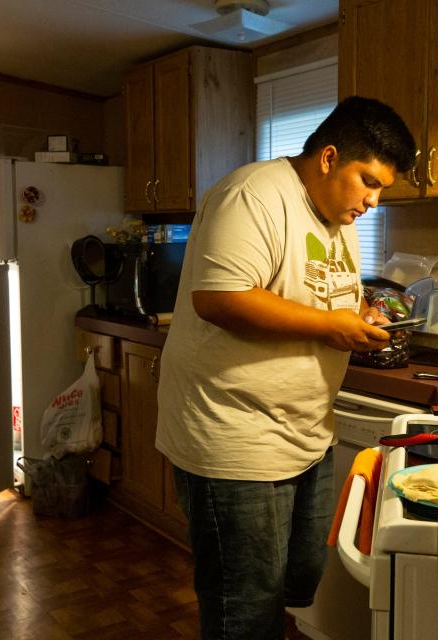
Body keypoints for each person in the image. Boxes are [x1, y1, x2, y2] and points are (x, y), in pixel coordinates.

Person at [155, 96, 417, 639]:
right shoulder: (253, 195)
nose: (371, 201)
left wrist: (357, 315)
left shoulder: (338, 218)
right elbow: (220, 298)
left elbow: (321, 292)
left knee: (298, 581)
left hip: (306, 431)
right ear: (327, 158)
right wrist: (331, 328)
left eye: (381, 191)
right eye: (367, 181)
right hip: (234, 435)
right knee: (244, 610)